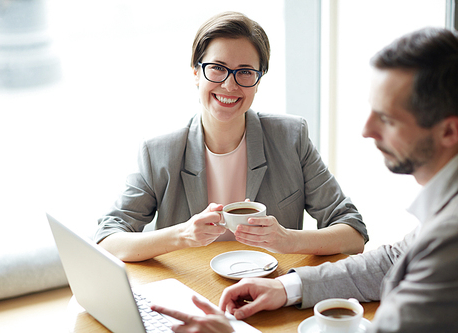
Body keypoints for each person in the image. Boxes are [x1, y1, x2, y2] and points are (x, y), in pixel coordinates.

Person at [152, 27, 458, 332]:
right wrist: (287, 287)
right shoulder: (443, 215)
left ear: (448, 132)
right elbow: (392, 261)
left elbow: (353, 231)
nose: (366, 130)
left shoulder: (450, 236)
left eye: (388, 119)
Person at [95, 11, 368, 262]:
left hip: (272, 291)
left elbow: (353, 233)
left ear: (258, 81)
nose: (229, 84)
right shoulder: (158, 153)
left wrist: (287, 239)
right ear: (196, 73)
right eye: (217, 68)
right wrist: (182, 235)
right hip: (189, 295)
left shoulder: (291, 138)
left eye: (245, 72)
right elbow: (107, 240)